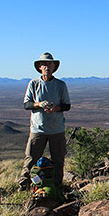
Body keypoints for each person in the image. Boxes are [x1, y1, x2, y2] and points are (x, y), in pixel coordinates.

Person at [18, 52, 71, 190]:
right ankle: (25, 185)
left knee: (58, 161)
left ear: (54, 66)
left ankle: (57, 188)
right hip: (38, 129)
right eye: (44, 64)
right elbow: (26, 104)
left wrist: (55, 108)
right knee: (30, 159)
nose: (47, 66)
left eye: (49, 64)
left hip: (57, 129)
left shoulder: (61, 85)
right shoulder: (34, 84)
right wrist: (39, 104)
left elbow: (67, 106)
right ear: (40, 67)